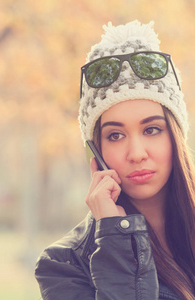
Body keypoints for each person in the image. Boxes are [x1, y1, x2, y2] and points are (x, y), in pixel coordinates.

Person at [35, 21, 195, 300]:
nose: (136, 153)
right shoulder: (63, 265)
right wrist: (116, 239)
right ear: (94, 153)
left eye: (152, 130)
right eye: (116, 135)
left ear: (176, 137)